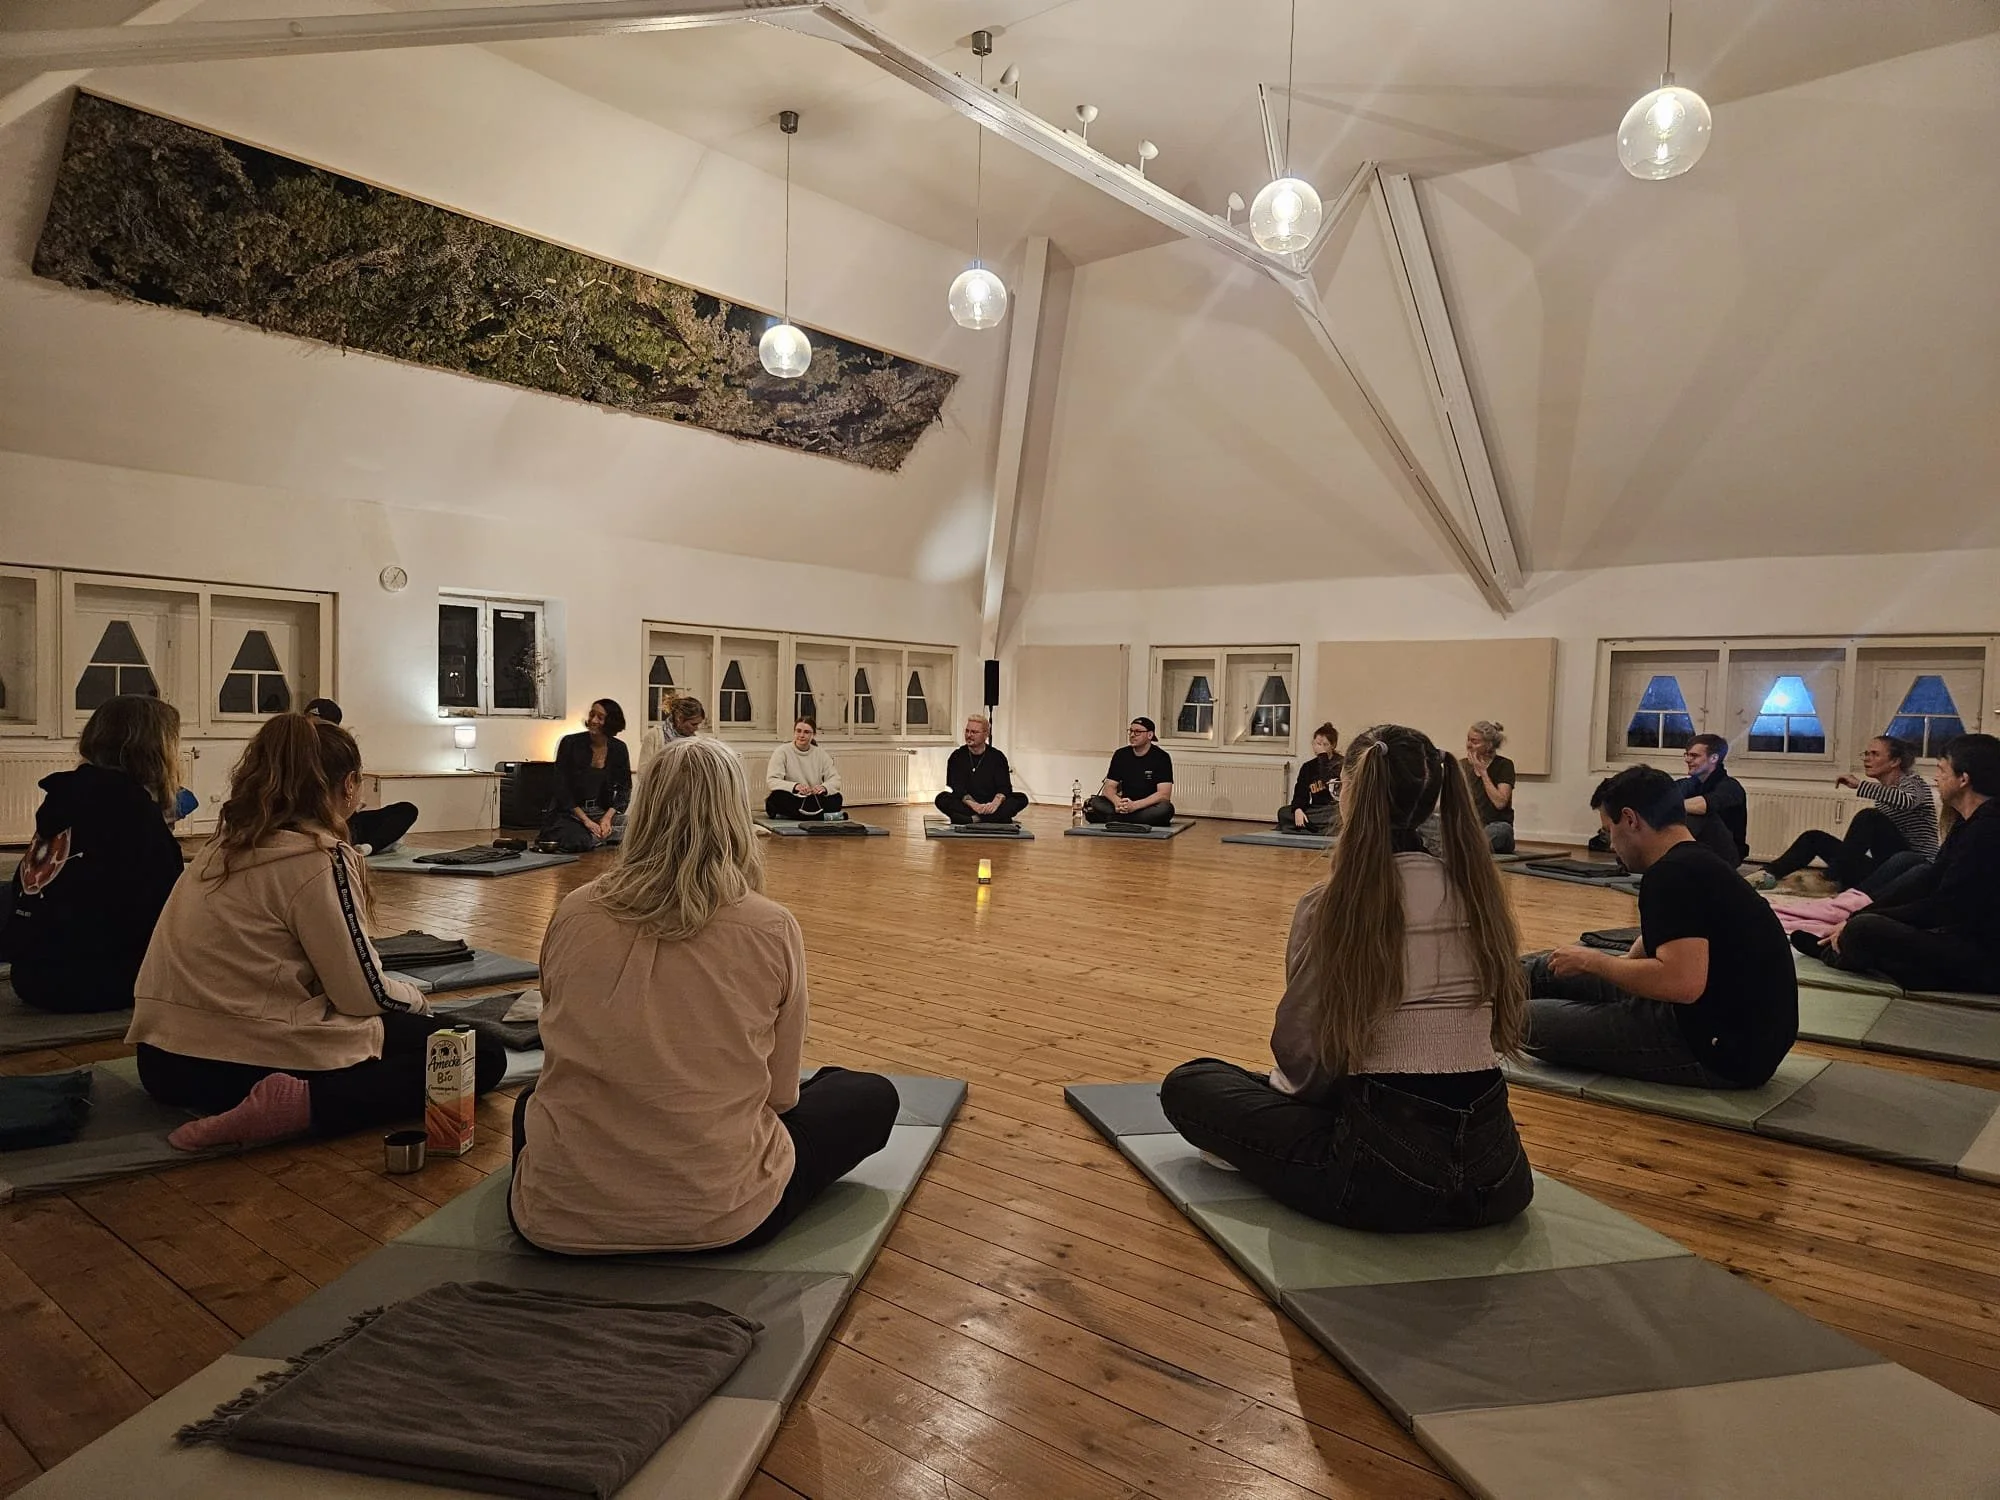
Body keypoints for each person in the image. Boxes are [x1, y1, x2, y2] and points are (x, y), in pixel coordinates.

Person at [509, 736, 900, 1253]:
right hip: (721, 1211)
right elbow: (781, 1098)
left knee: (528, 1105)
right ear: (735, 816)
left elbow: (557, 1035)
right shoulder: (770, 926)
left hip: (555, 1213)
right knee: (869, 1095)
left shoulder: (574, 911)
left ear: (644, 811)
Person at [1160, 724, 1533, 1232]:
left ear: (1351, 792)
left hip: (1380, 1180)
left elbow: (1304, 1056)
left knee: (1190, 1083)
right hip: (1501, 1176)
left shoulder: (1333, 905)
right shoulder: (1480, 896)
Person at [129, 714, 506, 1148]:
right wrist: (416, 1000)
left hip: (161, 1065)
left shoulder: (219, 847)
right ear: (348, 784)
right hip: (237, 1066)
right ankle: (303, 1104)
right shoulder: (315, 859)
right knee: (478, 1054)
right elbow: (361, 994)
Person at [1523, 765, 1796, 1088]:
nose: (1611, 845)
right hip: (1736, 1036)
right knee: (1544, 967)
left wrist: (1595, 962)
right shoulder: (1696, 860)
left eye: (1609, 830)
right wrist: (1609, 968)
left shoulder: (1672, 874)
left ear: (1630, 819)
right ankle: (1469, 993)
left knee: (1522, 1019)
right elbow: (1669, 937)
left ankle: (1471, 1010)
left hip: (1715, 1049)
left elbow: (1681, 983)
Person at [1, 696, 185, 1014]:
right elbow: (167, 909)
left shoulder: (65, 797)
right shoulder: (132, 810)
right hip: (95, 982)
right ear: (157, 749)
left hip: (30, 974)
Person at [1795, 734, 2000, 995]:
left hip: (1981, 956)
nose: (1937, 778)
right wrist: (1857, 916)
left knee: (1865, 930)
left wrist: (1868, 921)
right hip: (1952, 929)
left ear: (1964, 779)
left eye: (1941, 770)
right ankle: (1848, 942)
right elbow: (1932, 878)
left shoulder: (1988, 831)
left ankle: (1842, 952)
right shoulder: (1967, 822)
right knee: (1901, 890)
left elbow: (1945, 907)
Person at [1751, 736, 1937, 891]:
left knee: (1869, 817)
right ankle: (1766, 874)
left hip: (1911, 867)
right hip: (1884, 869)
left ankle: (1831, 877)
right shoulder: (1883, 793)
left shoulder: (1914, 783)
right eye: (1866, 753)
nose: (1866, 759)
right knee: (1814, 838)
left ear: (1895, 761)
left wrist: (1860, 785)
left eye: (1874, 754)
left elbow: (1907, 800)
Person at [302, 697, 418, 853]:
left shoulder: (339, 750)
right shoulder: (299, 755)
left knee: (406, 810)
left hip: (346, 819)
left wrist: (355, 803)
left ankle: (367, 847)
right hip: (317, 820)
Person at [541, 699, 633, 852]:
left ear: (610, 723)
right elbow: (561, 788)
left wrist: (607, 819)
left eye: (600, 717)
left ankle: (599, 836)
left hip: (600, 811)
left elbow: (625, 789)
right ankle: (599, 837)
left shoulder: (619, 748)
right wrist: (587, 822)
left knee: (639, 826)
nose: (593, 721)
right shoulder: (570, 743)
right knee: (576, 840)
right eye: (592, 715)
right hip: (572, 814)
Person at [936, 714, 1029, 825]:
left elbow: (1004, 788)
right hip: (968, 805)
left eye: (974, 732)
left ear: (986, 734)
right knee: (941, 798)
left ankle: (974, 819)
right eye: (967, 731)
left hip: (991, 804)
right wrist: (976, 806)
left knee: (1021, 798)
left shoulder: (997, 757)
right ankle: (995, 818)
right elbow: (958, 789)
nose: (969, 735)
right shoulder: (957, 756)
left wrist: (994, 805)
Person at [1082, 718, 1176, 827]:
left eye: (1137, 732)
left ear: (1150, 735)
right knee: (1096, 802)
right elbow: (1108, 788)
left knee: (1166, 809)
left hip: (1147, 805)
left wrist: (1135, 806)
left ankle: (1115, 819)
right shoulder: (1120, 755)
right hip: (1124, 804)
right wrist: (1117, 802)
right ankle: (1135, 819)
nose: (1132, 735)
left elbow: (1164, 795)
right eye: (1130, 731)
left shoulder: (1161, 757)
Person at [1678, 734, 1749, 866]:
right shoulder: (1688, 784)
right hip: (1697, 849)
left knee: (1699, 815)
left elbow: (1704, 806)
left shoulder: (1731, 787)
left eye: (1694, 756)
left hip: (1726, 855)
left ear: (1714, 758)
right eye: (1686, 755)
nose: (1687, 759)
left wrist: (1666, 805)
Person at [765, 718, 844, 821]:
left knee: (837, 798)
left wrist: (824, 788)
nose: (801, 735)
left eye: (806, 732)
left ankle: (794, 816)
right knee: (775, 798)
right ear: (794, 732)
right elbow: (772, 781)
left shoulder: (821, 754)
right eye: (798, 731)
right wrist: (795, 786)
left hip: (813, 799)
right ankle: (821, 817)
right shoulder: (782, 752)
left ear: (813, 735)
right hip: (794, 798)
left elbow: (835, 780)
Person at [1461, 721, 1517, 854]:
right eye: (1468, 740)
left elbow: (1500, 803)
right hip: (1469, 828)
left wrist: (1483, 773)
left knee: (1501, 830)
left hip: (1493, 827)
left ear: (1489, 744)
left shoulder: (1504, 765)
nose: (1469, 745)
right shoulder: (1462, 765)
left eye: (1474, 741)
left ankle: (1466, 847)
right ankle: (1467, 846)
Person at [1276, 723, 1341, 834]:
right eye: (1317, 744)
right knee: (1283, 812)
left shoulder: (1340, 764)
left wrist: (1323, 758)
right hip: (1315, 809)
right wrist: (1298, 809)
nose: (1319, 748)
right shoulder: (1308, 767)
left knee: (1338, 815)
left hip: (1332, 809)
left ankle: (1306, 827)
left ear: (1333, 745)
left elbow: (1328, 782)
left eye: (1325, 744)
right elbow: (1300, 793)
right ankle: (1320, 828)